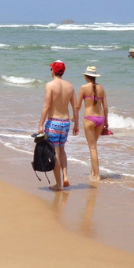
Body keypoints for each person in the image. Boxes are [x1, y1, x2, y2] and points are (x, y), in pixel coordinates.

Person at [38, 60, 79, 191]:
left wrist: (40, 124)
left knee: (54, 153)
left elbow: (46, 105)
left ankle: (58, 184)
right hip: (65, 122)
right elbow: (75, 108)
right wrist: (76, 124)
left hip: (53, 122)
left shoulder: (50, 85)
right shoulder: (70, 86)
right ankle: (65, 176)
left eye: (51, 69)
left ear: (54, 71)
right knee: (62, 149)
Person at [75, 66, 108, 181]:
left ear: (86, 76)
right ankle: (93, 172)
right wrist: (106, 123)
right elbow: (106, 107)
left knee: (92, 148)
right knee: (93, 146)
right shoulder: (102, 88)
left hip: (89, 119)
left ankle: (97, 175)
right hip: (100, 119)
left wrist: (74, 117)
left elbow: (78, 106)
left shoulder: (83, 88)